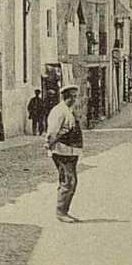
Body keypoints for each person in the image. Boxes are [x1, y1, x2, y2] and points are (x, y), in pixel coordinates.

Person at [45, 84, 83, 223]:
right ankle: (61, 212)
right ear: (64, 96)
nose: (74, 99)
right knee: (69, 181)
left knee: (70, 181)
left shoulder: (68, 110)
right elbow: (52, 132)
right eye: (71, 97)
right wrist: (49, 146)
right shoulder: (59, 111)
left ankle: (63, 211)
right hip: (62, 150)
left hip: (70, 151)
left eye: (75, 96)